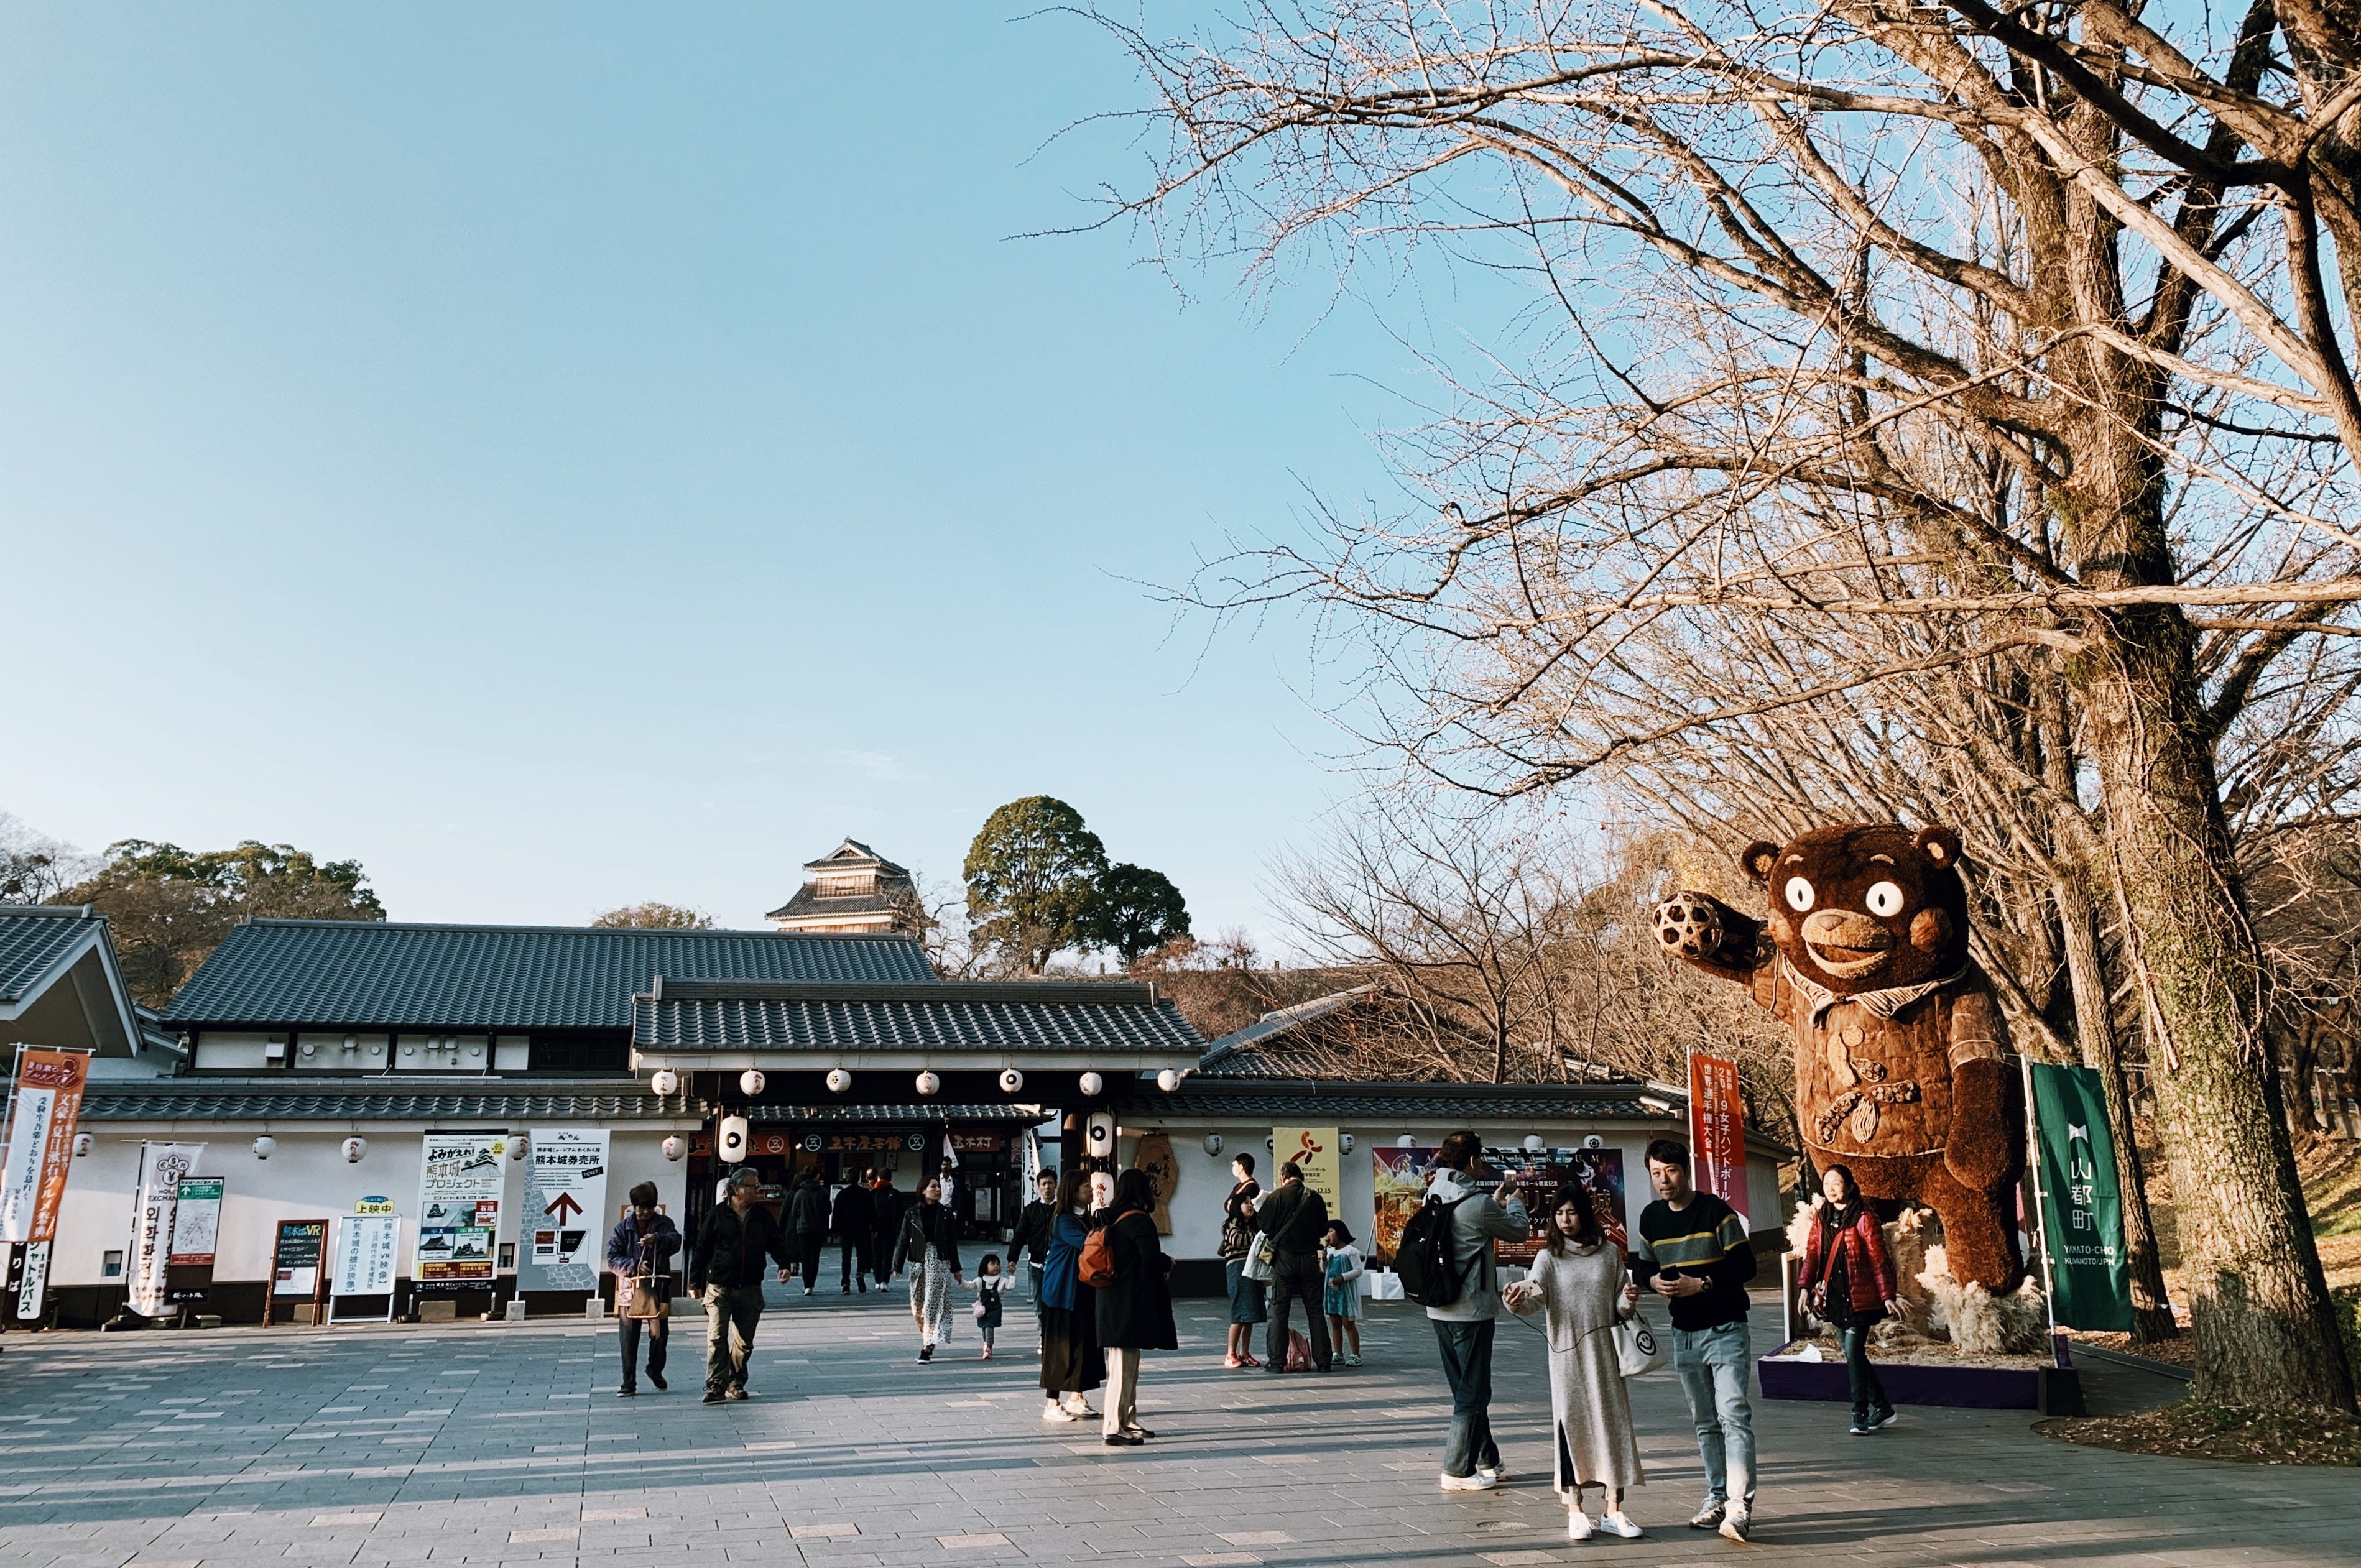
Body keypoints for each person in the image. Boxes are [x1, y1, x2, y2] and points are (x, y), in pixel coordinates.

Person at [1632, 1138, 1758, 1542]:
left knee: (1733, 1415)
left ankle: (1739, 1508)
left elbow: (1746, 1264)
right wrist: (1650, 1281)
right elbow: (1642, 1267)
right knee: (1705, 1423)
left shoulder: (1714, 1211)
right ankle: (1716, 1497)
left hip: (1725, 1328)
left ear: (1684, 1170)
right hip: (1683, 1333)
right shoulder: (1651, 1218)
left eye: (1669, 1171)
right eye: (1655, 1173)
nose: (1663, 1181)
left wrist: (1702, 1283)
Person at [1503, 1194, 1646, 1541]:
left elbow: (1618, 1307)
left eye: (1572, 1212)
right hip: (1566, 1357)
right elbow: (1533, 1300)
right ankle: (1575, 1510)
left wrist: (1627, 1301)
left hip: (1605, 1354)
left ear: (1585, 1214)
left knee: (1611, 1427)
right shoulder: (1548, 1258)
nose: (1566, 1220)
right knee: (1571, 1428)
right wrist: (1514, 1302)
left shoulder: (1609, 1253)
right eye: (1559, 1214)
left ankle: (1614, 1509)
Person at [1423, 1130, 1530, 1491]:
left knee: (1464, 1388)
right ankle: (1456, 1469)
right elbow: (1518, 1231)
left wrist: (1494, 1203)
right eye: (1481, 1157)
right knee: (1474, 1391)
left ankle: (1488, 1458)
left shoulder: (1432, 1194)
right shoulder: (1478, 1203)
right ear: (1472, 1161)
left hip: (1438, 1306)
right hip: (1472, 1308)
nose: (1482, 1163)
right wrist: (1515, 1202)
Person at [1800, 1163, 1900, 1436]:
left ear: (1850, 1186)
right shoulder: (1822, 1217)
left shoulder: (1865, 1217)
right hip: (1834, 1297)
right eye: (1827, 1184)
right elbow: (1812, 1254)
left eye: (1837, 1183)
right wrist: (1804, 1287)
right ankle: (1883, 1407)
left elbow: (1880, 1259)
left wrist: (1887, 1296)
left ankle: (1860, 1412)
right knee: (1851, 1354)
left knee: (1854, 1351)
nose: (1831, 1189)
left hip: (1860, 1297)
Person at [688, 1168, 794, 1404]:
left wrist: (784, 1264)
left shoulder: (762, 1216)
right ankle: (716, 1383)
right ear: (736, 1190)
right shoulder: (716, 1215)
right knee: (716, 1337)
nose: (757, 1190)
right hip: (720, 1287)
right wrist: (694, 1280)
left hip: (750, 1287)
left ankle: (735, 1381)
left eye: (758, 1186)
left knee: (744, 1341)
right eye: (752, 1186)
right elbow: (702, 1249)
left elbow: (775, 1241)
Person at [1094, 1168, 1176, 1446]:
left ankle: (1128, 1419)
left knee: (1128, 1365)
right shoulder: (1138, 1221)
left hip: (1114, 1301)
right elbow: (1150, 1259)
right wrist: (1168, 1263)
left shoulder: (1113, 1217)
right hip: (1127, 1302)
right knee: (1122, 1368)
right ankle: (1113, 1427)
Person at [1036, 1166, 1104, 1423]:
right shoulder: (1064, 1220)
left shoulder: (1086, 1218)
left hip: (1082, 1291)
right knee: (1060, 1348)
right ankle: (1052, 1403)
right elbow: (1092, 1243)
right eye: (1085, 1185)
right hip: (1062, 1293)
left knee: (1083, 1345)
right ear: (1072, 1192)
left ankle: (1076, 1397)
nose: (1090, 1188)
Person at [1255, 1160, 1331, 1373]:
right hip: (1309, 1259)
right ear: (1300, 1176)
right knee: (1315, 1311)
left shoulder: (1277, 1197)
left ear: (1283, 1177)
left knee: (1280, 1310)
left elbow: (1264, 1225)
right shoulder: (1315, 1198)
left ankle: (1277, 1361)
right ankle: (1324, 1361)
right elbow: (1323, 1228)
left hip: (1284, 1259)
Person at [605, 1181, 680, 1397]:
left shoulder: (664, 1224)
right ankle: (628, 1382)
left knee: (660, 1335)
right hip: (630, 1290)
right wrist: (634, 1265)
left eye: (650, 1207)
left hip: (658, 1288)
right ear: (634, 1207)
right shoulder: (623, 1228)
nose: (645, 1212)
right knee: (628, 1337)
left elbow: (676, 1242)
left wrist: (658, 1239)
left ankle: (654, 1370)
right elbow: (612, 1259)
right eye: (641, 1208)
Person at [894, 1176, 968, 1362]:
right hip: (918, 1261)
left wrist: (956, 1268)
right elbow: (903, 1239)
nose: (937, 1189)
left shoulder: (945, 1214)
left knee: (931, 1305)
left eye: (938, 1186)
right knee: (917, 1306)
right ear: (923, 1190)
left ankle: (927, 1348)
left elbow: (952, 1242)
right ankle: (930, 1336)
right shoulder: (911, 1213)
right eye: (933, 1186)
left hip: (939, 1260)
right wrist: (897, 1264)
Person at [1218, 1154, 1265, 1368]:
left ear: (1242, 1166)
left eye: (1251, 1202)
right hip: (1238, 1265)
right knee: (1240, 1310)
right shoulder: (1233, 1224)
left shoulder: (1250, 1187)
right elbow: (1237, 1240)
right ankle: (1231, 1353)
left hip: (1249, 1265)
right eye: (1246, 1203)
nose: (1250, 1205)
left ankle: (1244, 1352)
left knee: (1250, 1312)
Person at [1010, 1169, 1059, 1305]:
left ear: (1056, 1185)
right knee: (1039, 1304)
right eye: (1043, 1184)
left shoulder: (1063, 1209)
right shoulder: (1031, 1210)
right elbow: (1020, 1235)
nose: (1047, 1187)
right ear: (1038, 1187)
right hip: (1036, 1262)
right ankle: (1041, 1326)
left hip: (1058, 1263)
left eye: (1050, 1183)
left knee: (1055, 1301)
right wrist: (1012, 1259)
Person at [1322, 1220, 1365, 1367]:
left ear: (1340, 1233)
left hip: (1345, 1293)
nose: (1328, 1235)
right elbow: (1324, 1269)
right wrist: (1323, 1258)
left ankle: (1355, 1354)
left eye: (1331, 1231)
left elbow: (1358, 1270)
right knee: (1335, 1323)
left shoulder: (1351, 1251)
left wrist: (1343, 1278)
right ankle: (1338, 1353)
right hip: (1331, 1292)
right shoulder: (1329, 1252)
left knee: (1348, 1323)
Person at [786, 1169, 830, 1296]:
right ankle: (812, 1283)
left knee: (805, 1257)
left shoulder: (800, 1193)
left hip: (803, 1229)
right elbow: (828, 1210)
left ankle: (807, 1285)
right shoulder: (823, 1192)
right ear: (816, 1176)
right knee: (815, 1257)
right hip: (818, 1229)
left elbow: (794, 1212)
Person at [833, 1170, 874, 1294]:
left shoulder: (842, 1194)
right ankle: (860, 1273)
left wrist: (835, 1229)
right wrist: (874, 1227)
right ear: (859, 1178)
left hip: (846, 1229)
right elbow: (872, 1211)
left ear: (847, 1179)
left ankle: (846, 1283)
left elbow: (836, 1213)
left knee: (846, 1256)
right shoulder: (866, 1193)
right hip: (862, 1228)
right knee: (862, 1253)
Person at [970, 1253, 1012, 1358]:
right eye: (993, 1264)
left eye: (998, 1264)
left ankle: (988, 1348)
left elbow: (1011, 1286)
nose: (996, 1266)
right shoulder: (980, 1281)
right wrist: (960, 1281)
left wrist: (1011, 1275)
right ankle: (987, 1344)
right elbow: (969, 1286)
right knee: (984, 1327)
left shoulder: (1002, 1281)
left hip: (995, 1309)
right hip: (983, 1310)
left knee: (989, 1327)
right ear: (985, 1267)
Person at [869, 1171, 902, 1291]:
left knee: (877, 1255)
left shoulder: (874, 1193)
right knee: (888, 1256)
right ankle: (884, 1281)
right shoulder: (895, 1193)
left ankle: (877, 1280)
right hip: (891, 1228)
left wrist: (872, 1227)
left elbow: (870, 1212)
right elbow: (900, 1213)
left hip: (876, 1229)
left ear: (879, 1178)